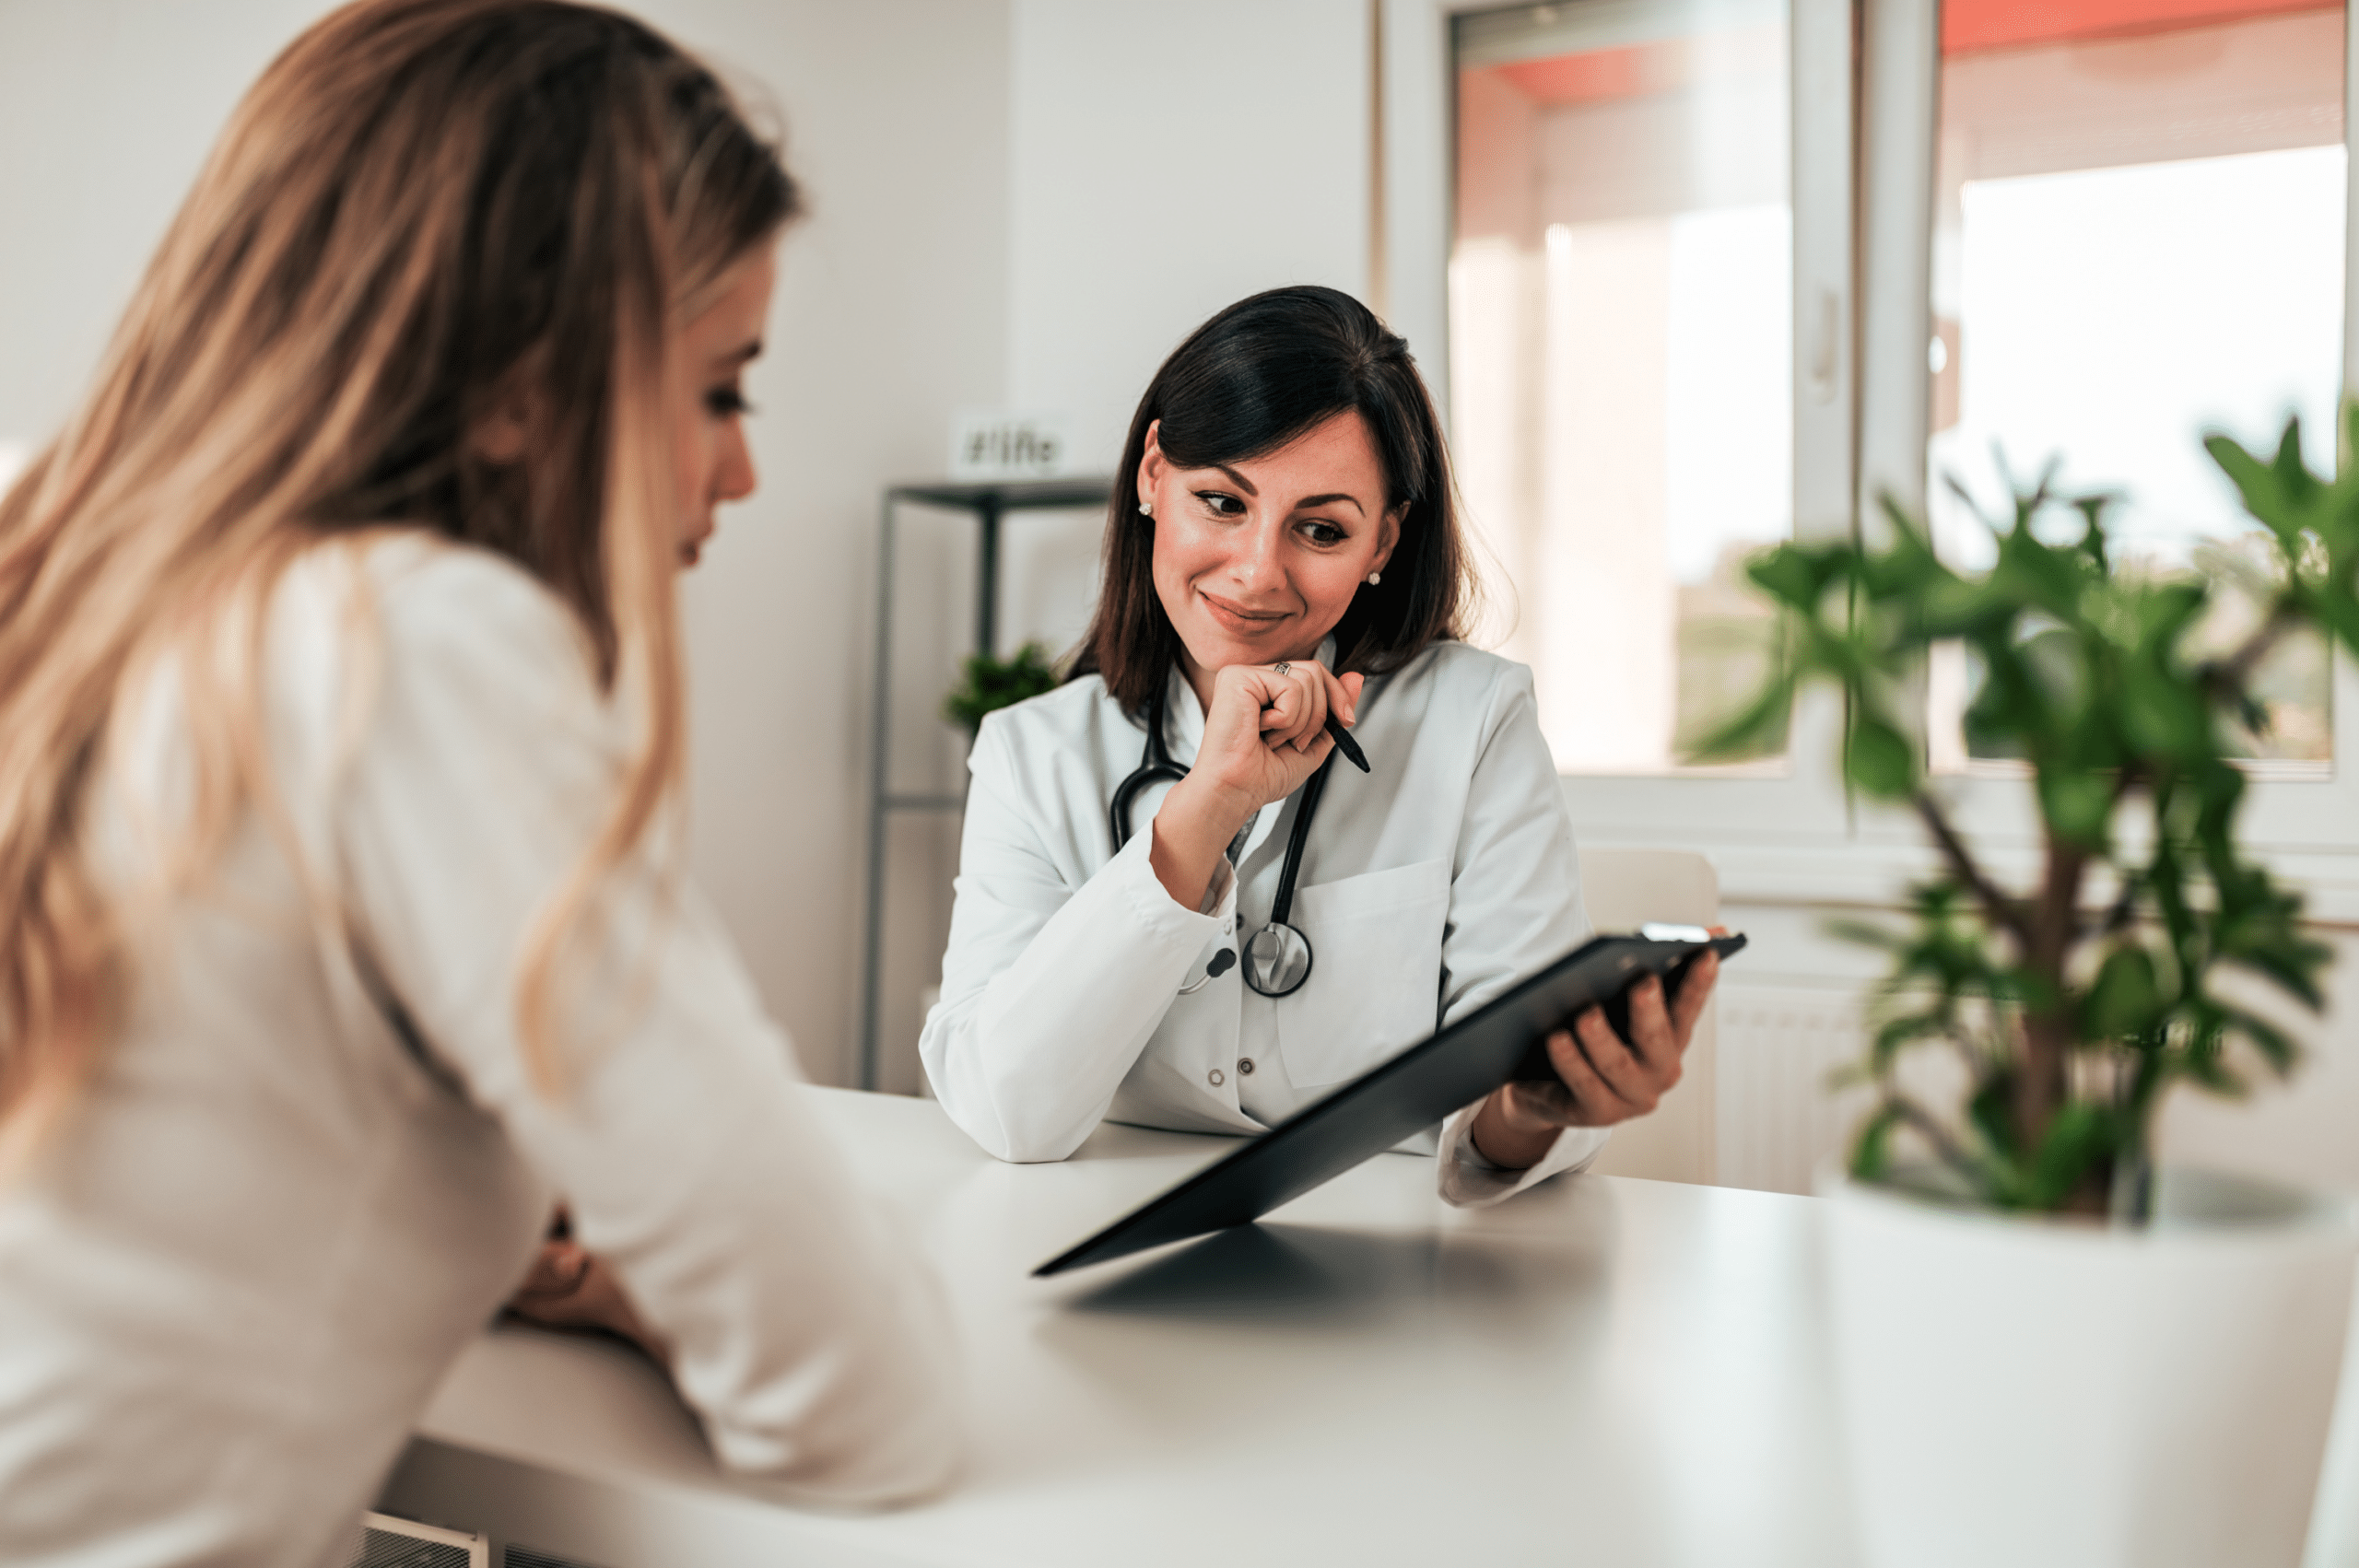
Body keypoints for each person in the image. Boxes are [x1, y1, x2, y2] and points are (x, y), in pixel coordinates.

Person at [0, 3, 957, 1561]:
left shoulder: (49, 558)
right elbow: (860, 1393)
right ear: (521, 382)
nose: (744, 471)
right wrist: (659, 1287)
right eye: (724, 388)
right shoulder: (409, 642)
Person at [920, 286, 1719, 1203]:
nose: (1258, 571)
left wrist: (1537, 1107)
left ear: (1384, 538)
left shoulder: (1474, 718)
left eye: (1321, 529)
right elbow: (1007, 1111)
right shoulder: (1032, 753)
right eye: (1220, 501)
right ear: (1151, 475)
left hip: (1399, 1265)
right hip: (1099, 1236)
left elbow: (1498, 1099)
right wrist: (1203, 809)